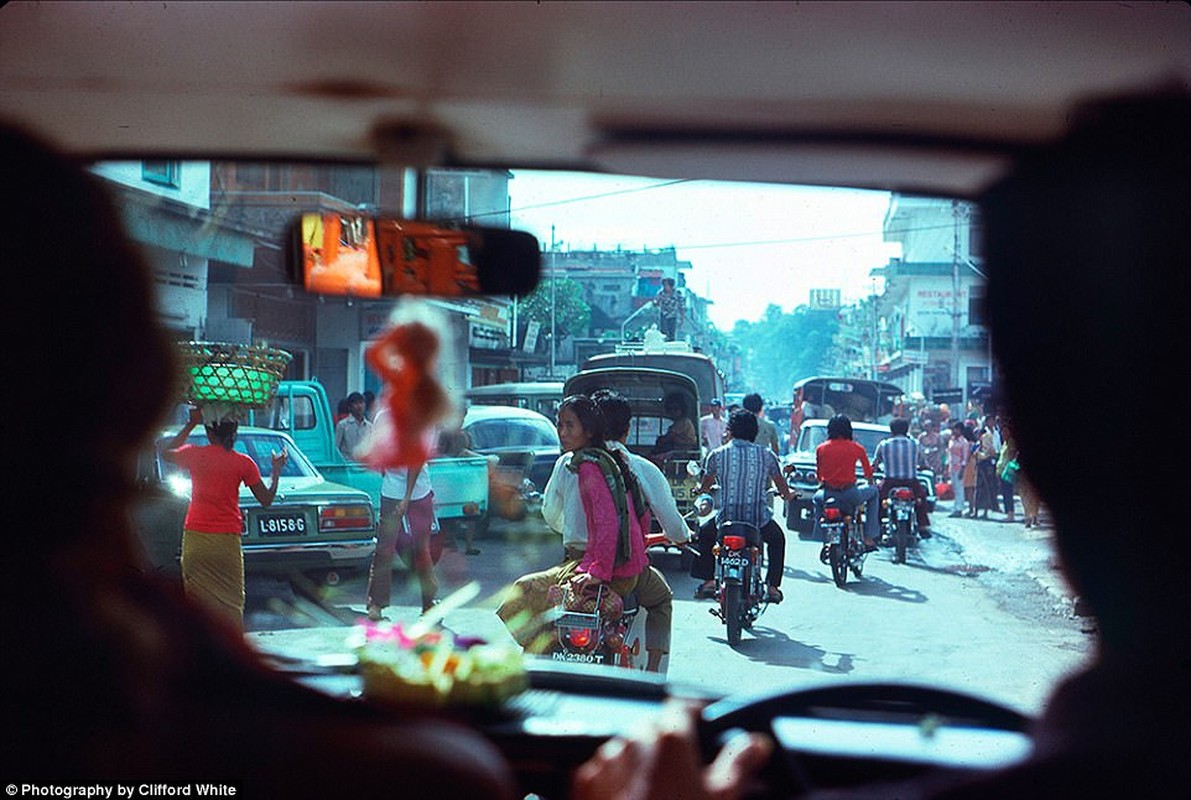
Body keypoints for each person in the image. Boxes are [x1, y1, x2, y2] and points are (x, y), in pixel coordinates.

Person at [571, 91, 1191, 800]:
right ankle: (766, 579)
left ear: (1032, 441)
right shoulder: (791, 454)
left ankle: (737, 579)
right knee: (772, 538)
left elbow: (724, 501)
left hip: (747, 527)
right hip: (802, 513)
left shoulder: (720, 456)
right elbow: (776, 496)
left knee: (743, 537)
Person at [2, 122, 517, 795]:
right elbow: (453, 775)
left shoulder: (128, 603)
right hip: (228, 546)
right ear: (134, 389)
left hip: (206, 542)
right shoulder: (133, 645)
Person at [497, 394, 651, 654]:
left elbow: (607, 523)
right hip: (617, 566)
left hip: (610, 571)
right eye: (560, 425)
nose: (562, 432)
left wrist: (596, 573)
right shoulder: (607, 459)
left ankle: (541, 654)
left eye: (570, 425)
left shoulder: (589, 466)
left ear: (588, 431)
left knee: (520, 594)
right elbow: (640, 513)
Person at [162, 406, 288, 630]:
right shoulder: (244, 462)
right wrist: (276, 470)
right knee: (231, 605)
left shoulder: (195, 454)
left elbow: (165, 452)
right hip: (226, 543)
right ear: (234, 433)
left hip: (196, 540)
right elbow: (267, 500)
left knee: (197, 605)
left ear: (209, 433)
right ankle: (228, 658)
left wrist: (191, 423)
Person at [593, 388, 690, 671]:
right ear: (627, 429)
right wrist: (681, 536)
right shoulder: (639, 467)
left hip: (576, 567)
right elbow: (673, 525)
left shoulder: (569, 464)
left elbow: (553, 516)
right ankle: (653, 672)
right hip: (623, 569)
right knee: (661, 599)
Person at [690, 409, 795, 604]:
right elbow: (781, 484)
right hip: (757, 520)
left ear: (730, 430)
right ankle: (772, 587)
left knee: (704, 534)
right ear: (754, 431)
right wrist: (788, 495)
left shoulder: (717, 455)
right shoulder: (766, 455)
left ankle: (709, 581)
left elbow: (705, 485)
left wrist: (701, 489)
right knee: (777, 540)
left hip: (726, 519)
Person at [365, 414, 441, 620]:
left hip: (419, 490)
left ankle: (428, 603)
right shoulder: (383, 418)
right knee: (384, 549)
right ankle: (376, 604)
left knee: (421, 549)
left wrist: (406, 497)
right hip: (391, 489)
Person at [811, 414, 880, 555]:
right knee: (874, 492)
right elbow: (868, 473)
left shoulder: (821, 448)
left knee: (816, 500)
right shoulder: (857, 448)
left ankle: (821, 536)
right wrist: (870, 481)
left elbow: (819, 474)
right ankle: (869, 537)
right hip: (851, 494)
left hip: (828, 494)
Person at [871, 416, 932, 539]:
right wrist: (924, 467)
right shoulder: (915, 444)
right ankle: (922, 526)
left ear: (892, 430)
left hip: (889, 482)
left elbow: (875, 464)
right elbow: (923, 462)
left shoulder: (884, 445)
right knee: (921, 499)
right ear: (906, 430)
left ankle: (876, 529)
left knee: (878, 500)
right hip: (911, 482)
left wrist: (875, 469)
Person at [334, 389, 372, 459]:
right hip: (348, 466)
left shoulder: (369, 427)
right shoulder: (342, 425)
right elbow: (335, 448)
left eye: (361, 403)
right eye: (356, 403)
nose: (359, 406)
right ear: (350, 407)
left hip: (364, 466)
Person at [946, 421, 972, 518]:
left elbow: (965, 458)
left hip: (959, 468)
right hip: (952, 467)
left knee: (959, 488)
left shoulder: (964, 442)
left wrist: (962, 469)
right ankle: (956, 507)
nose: (954, 431)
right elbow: (949, 454)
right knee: (955, 488)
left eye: (956, 429)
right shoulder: (951, 441)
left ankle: (959, 509)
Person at [653, 276, 685, 340]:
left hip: (673, 315)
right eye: (664, 285)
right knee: (663, 333)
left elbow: (682, 306)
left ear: (671, 286)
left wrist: (682, 318)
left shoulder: (677, 294)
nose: (665, 287)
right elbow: (655, 303)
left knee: (671, 333)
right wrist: (658, 301)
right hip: (663, 315)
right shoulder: (661, 293)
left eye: (666, 285)